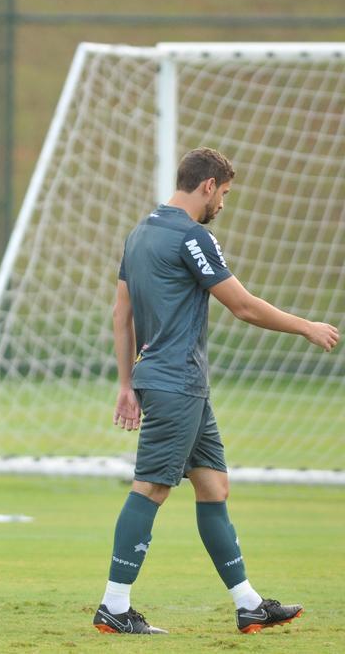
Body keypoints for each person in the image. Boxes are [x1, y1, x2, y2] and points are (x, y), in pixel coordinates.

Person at [92, 147, 339, 635]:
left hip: (173, 383)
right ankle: (114, 606)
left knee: (213, 487)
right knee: (152, 486)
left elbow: (121, 315)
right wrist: (306, 326)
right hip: (177, 382)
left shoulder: (139, 232)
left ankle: (248, 604)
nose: (223, 204)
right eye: (223, 193)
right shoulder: (192, 236)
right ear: (208, 186)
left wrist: (126, 382)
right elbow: (242, 306)